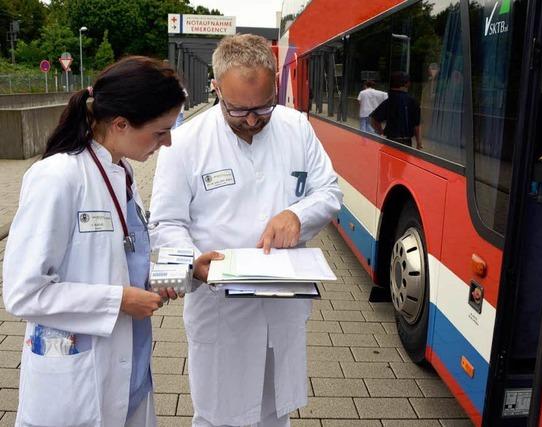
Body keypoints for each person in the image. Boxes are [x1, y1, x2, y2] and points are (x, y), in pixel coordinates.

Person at [149, 34, 343, 427]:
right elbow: (166, 222)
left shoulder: (296, 128)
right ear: (216, 88)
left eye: (263, 107)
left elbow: (329, 191)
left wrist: (298, 214)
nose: (252, 120)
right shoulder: (185, 143)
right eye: (237, 109)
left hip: (282, 303)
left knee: (274, 411)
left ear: (274, 84)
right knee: (217, 412)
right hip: (219, 306)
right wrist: (192, 264)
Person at [2, 56, 190, 427]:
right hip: (78, 384)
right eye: (160, 131)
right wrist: (119, 300)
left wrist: (187, 270)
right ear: (120, 124)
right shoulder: (58, 178)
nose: (167, 143)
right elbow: (22, 293)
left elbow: (126, 253)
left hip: (128, 368)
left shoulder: (122, 171)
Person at [370, 71, 423, 149]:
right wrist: (419, 143)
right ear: (407, 84)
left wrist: (381, 132)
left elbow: (374, 119)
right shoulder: (412, 102)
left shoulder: (389, 101)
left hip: (390, 141)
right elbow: (416, 125)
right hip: (406, 143)